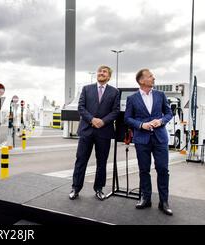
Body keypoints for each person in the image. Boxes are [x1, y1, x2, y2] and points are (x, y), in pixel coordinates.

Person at [124, 69, 173, 215]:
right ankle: (146, 198)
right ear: (141, 80)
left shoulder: (160, 95)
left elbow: (169, 113)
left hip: (160, 138)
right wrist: (141, 125)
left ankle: (164, 202)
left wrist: (161, 121)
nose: (153, 78)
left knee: (163, 169)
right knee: (144, 170)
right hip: (142, 139)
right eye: (150, 76)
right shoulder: (132, 98)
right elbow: (127, 118)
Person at [69, 65, 120, 201]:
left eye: (104, 72)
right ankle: (75, 188)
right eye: (100, 71)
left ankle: (99, 189)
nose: (101, 73)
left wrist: (102, 121)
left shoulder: (114, 92)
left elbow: (115, 111)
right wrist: (92, 119)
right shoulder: (86, 89)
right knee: (81, 160)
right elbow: (81, 107)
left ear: (109, 76)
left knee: (101, 162)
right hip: (87, 130)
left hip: (104, 132)